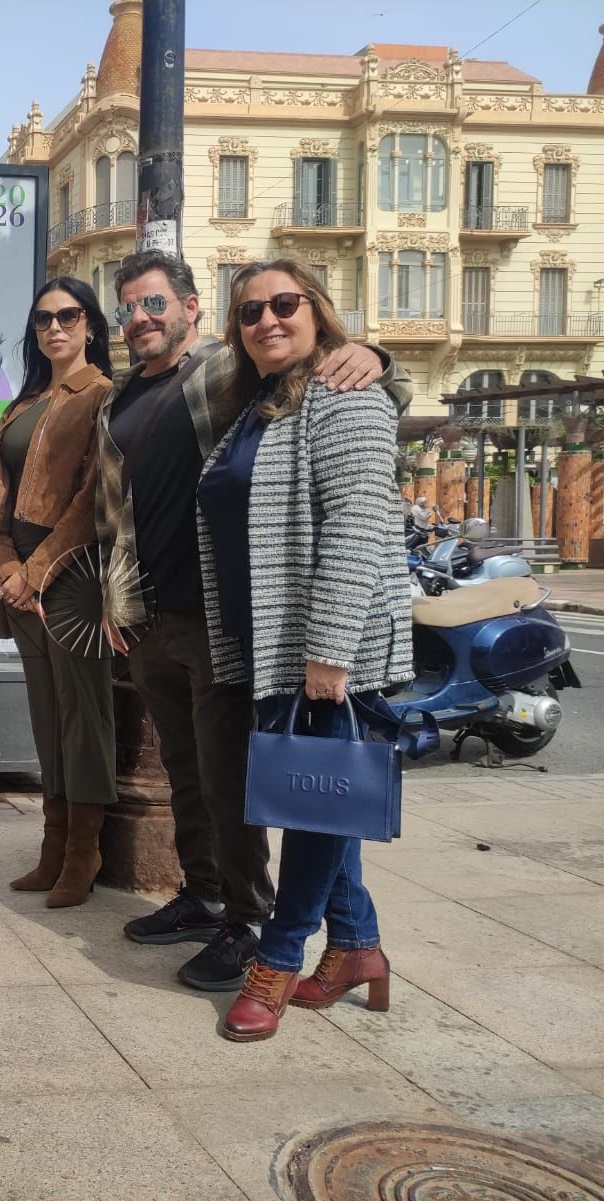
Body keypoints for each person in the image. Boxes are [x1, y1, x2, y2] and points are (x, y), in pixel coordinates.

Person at [94, 250, 411, 992]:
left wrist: (376, 356)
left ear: (191, 309)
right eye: (128, 307)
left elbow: (363, 471)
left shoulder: (222, 374)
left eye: (154, 303)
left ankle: (264, 939)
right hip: (160, 610)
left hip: (250, 626)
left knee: (261, 787)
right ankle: (326, 933)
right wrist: (115, 594)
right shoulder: (210, 397)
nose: (139, 317)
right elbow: (117, 506)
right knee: (230, 778)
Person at [196, 259, 412, 1040]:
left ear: (317, 311)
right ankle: (356, 946)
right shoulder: (255, 406)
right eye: (249, 311)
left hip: (328, 643)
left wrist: (330, 650)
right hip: (272, 637)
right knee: (320, 795)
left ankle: (279, 958)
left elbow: (357, 523)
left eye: (284, 303)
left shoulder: (344, 392)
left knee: (317, 807)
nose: (267, 320)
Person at [0, 276, 117, 908]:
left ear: (90, 324)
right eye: (43, 319)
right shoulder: (24, 402)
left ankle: (84, 852)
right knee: (45, 713)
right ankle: (52, 844)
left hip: (74, 579)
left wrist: (35, 572)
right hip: (18, 580)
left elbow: (92, 498)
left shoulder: (102, 395)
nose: (54, 327)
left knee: (82, 715)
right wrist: (7, 566)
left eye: (68, 316)